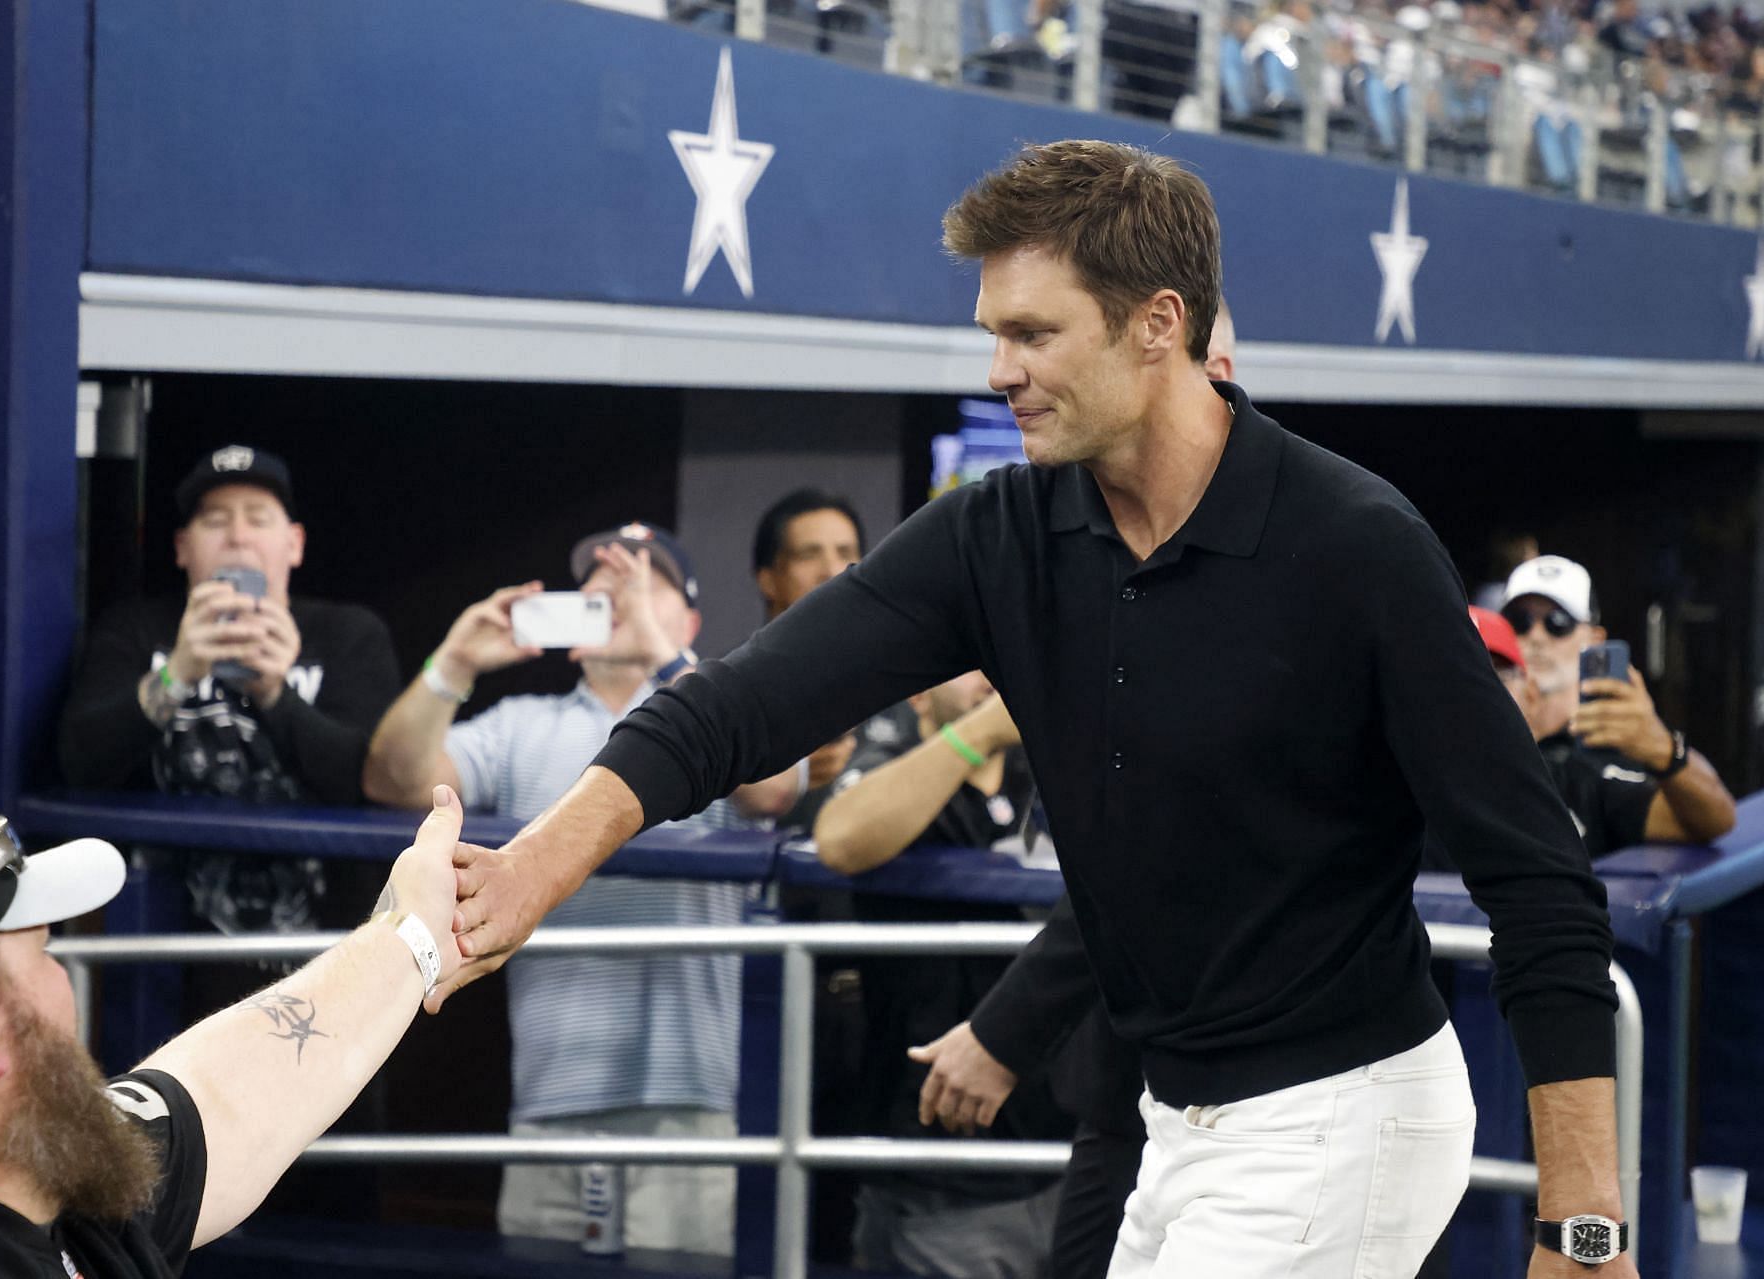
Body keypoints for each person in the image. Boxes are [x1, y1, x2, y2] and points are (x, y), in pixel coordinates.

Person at [437, 141, 1631, 1278]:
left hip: (1345, 1115)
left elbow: (1539, 884)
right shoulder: (998, 534)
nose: (998, 368)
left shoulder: (1357, 545)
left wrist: (1583, 1223)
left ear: (1158, 324)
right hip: (1176, 1118)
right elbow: (741, 703)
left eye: (1031, 333)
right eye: (994, 333)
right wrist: (541, 863)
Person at [905, 297, 1239, 1279]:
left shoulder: (1305, 551)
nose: (1007, 371)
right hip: (1124, 1089)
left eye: (1034, 337)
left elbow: (1173, 846)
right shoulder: (1053, 548)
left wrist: (1004, 1029)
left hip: (1276, 1095)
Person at [361, 521, 797, 1256]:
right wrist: (452, 666)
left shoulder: (723, 714)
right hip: (551, 1096)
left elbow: (777, 789)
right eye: (598, 580)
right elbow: (394, 780)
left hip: (689, 1096)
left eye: (642, 577)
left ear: (687, 618)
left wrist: (667, 654)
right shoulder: (522, 724)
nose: (613, 587)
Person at [0, 790, 467, 1277]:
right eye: (43, 951)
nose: (63, 980)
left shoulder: (39, 1170)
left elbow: (224, 1098)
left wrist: (412, 934)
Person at [55, 445, 402, 939]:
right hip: (158, 938)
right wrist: (177, 674)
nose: (238, 538)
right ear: (182, 547)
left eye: (258, 519)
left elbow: (374, 782)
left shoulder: (348, 634)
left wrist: (275, 695)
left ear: (295, 544)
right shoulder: (135, 628)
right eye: (215, 521)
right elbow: (79, 762)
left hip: (320, 939)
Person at [811, 672, 1071, 1276]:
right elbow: (839, 838)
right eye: (970, 657)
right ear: (920, 690)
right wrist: (980, 731)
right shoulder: (893, 762)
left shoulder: (1052, 766)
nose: (993, 671)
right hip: (941, 1171)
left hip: (1071, 1151)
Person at [1498, 554, 1736, 856]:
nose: (1536, 637)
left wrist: (1664, 750)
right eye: (1520, 622)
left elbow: (1716, 820)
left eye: (1558, 623)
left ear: (1594, 640)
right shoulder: (1472, 740)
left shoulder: (1601, 763)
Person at [752, 489, 869, 794]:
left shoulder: (908, 686)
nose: (832, 571)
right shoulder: (732, 684)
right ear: (768, 579)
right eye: (808, 555)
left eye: (846, 553)